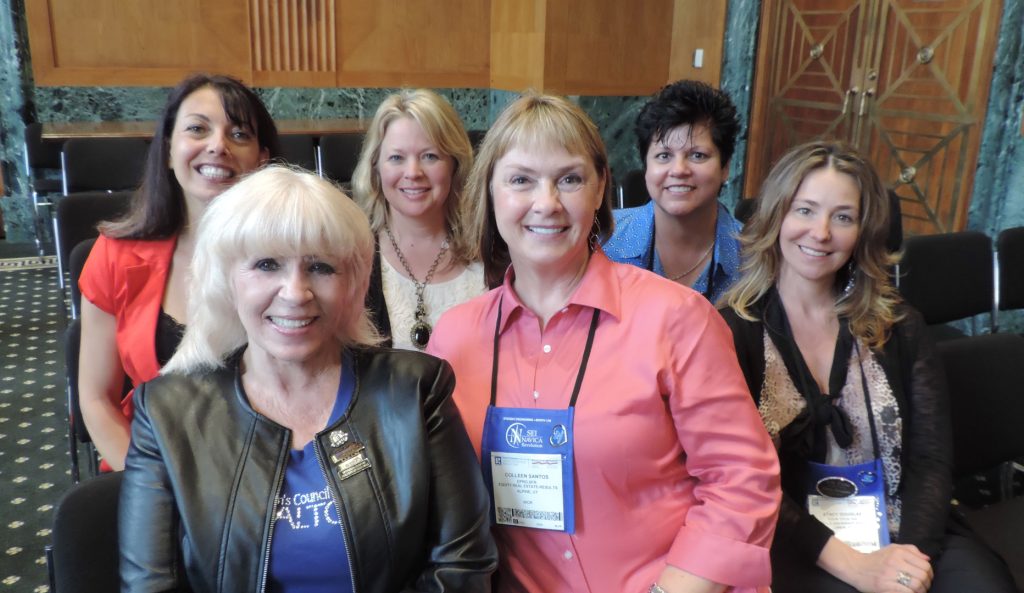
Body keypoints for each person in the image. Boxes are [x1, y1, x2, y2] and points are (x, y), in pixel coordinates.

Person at [427, 93, 780, 593]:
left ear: (599, 192)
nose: (546, 203)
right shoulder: (454, 337)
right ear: (489, 194)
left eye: (569, 179)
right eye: (521, 180)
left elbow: (742, 481)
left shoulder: (677, 319)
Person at [119, 166, 497, 593]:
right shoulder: (167, 413)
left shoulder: (415, 390)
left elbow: (462, 568)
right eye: (267, 265)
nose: (296, 293)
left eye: (320, 267)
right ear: (227, 280)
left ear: (353, 282)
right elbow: (151, 586)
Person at [720, 140, 1016, 593]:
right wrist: (858, 568)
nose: (820, 232)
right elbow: (739, 479)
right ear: (777, 215)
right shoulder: (730, 330)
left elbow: (930, 460)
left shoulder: (900, 325)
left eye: (843, 217)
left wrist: (906, 558)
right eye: (805, 210)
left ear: (863, 231)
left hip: (902, 522)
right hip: (792, 537)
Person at [78, 73, 280, 471]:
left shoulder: (295, 254)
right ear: (169, 150)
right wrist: (150, 486)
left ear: (262, 160)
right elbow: (96, 397)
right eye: (197, 129)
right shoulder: (115, 256)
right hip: (154, 464)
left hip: (273, 466)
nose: (218, 146)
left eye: (239, 134)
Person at [351, 89, 485, 350]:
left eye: (430, 156)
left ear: (454, 165)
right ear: (375, 167)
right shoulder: (350, 253)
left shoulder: (493, 252)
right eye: (397, 158)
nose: (413, 172)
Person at [603, 80, 743, 302]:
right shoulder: (603, 240)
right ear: (646, 168)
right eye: (664, 156)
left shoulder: (755, 260)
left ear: (725, 168)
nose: (679, 170)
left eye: (698, 155)